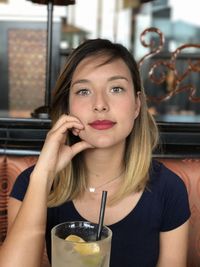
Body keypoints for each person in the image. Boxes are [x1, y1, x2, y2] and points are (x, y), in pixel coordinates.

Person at [0, 38, 190, 267]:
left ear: (137, 105)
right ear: (67, 107)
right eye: (83, 91)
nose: (100, 104)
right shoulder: (31, 184)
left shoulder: (169, 190)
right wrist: (43, 175)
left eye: (116, 88)